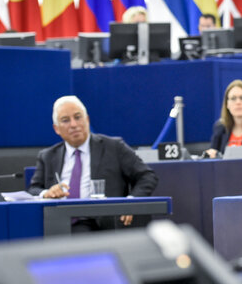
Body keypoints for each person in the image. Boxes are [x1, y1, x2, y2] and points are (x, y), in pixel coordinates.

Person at [28, 96, 158, 231]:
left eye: (78, 117)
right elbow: (32, 190)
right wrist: (46, 193)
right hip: (60, 225)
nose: (73, 124)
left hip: (104, 224)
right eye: (65, 120)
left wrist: (130, 202)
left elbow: (147, 176)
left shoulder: (114, 147)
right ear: (57, 129)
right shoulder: (48, 156)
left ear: (87, 120)